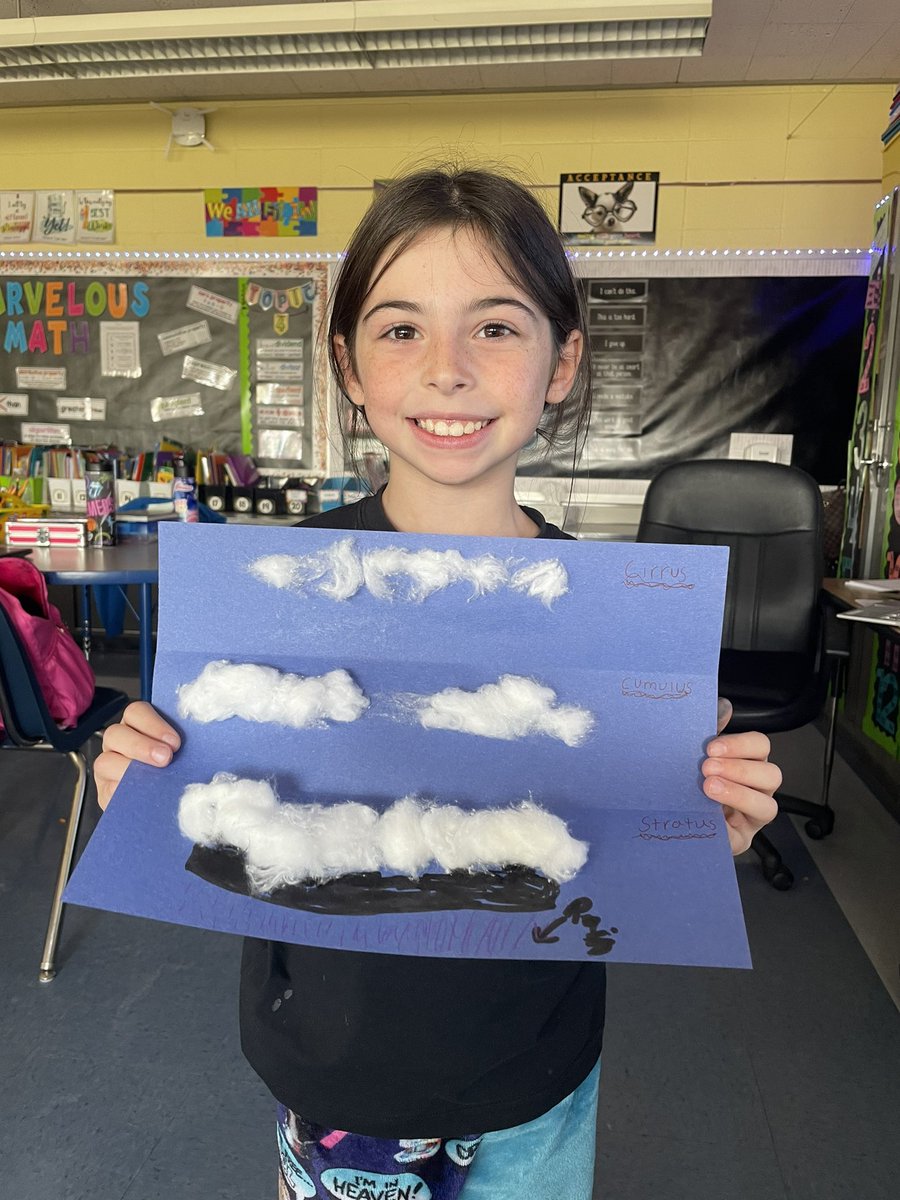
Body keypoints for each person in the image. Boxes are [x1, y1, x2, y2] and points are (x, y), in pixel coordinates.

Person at [95, 167, 781, 1200]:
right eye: (401, 328)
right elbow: (211, 819)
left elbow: (622, 855)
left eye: (497, 328)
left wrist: (699, 826)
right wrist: (142, 794)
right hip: (332, 1071)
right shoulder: (261, 600)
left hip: (531, 1075)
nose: (448, 370)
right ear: (350, 365)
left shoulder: (617, 623)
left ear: (563, 362)